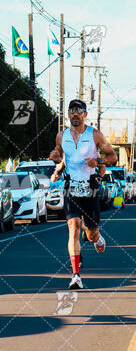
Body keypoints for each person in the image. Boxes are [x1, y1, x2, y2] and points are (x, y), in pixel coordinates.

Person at [50, 99, 117, 289]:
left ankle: (97, 237)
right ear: (68, 114)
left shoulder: (95, 135)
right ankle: (76, 275)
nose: (75, 114)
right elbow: (60, 155)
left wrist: (98, 161)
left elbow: (113, 157)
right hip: (71, 187)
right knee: (74, 227)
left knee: (91, 233)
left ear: (85, 114)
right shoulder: (61, 136)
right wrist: (56, 161)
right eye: (72, 111)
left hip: (91, 187)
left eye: (79, 111)